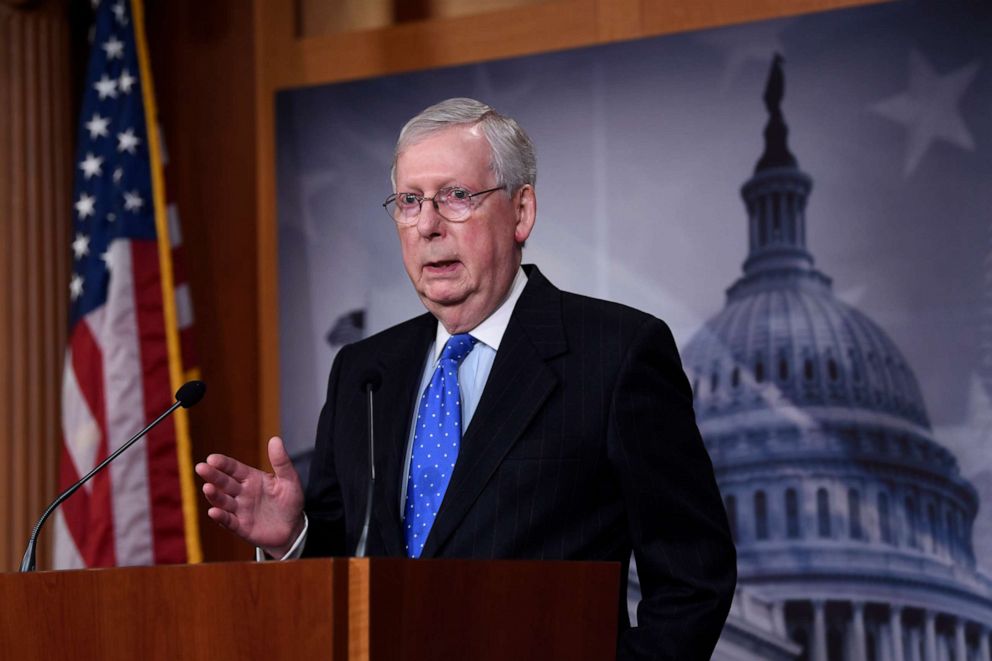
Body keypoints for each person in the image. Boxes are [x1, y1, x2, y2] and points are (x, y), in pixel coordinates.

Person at [195, 98, 736, 659]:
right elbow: (350, 563)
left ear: (521, 212)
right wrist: (294, 538)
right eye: (409, 202)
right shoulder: (363, 372)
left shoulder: (617, 353)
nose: (428, 225)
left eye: (456, 197)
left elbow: (693, 579)